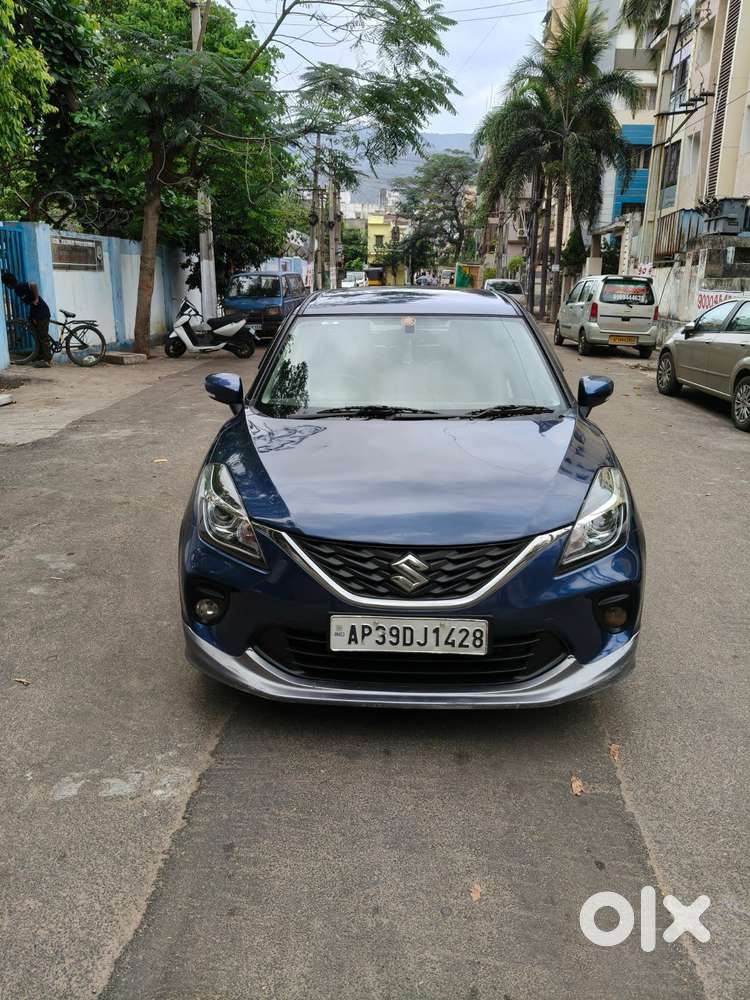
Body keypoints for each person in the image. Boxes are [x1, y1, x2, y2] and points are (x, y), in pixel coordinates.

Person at [1, 270, 53, 367]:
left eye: (6, 285)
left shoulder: (19, 287)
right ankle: (40, 356)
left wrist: (36, 298)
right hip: (37, 313)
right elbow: (30, 303)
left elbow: (33, 284)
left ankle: (47, 360)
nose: (7, 287)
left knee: (43, 336)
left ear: (8, 284)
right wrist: (32, 316)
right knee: (38, 336)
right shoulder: (17, 289)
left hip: (42, 313)